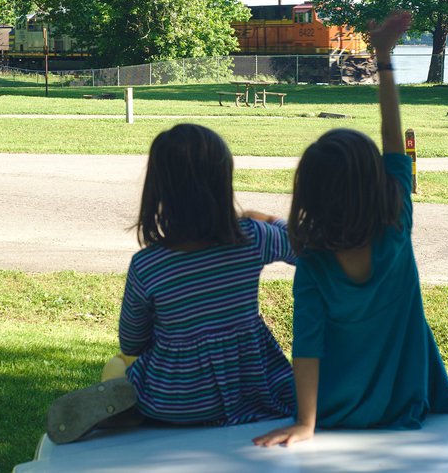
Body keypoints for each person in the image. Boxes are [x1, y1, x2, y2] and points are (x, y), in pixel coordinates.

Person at [254, 10, 448, 448]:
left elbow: (308, 345)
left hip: (334, 409)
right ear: (375, 182)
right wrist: (384, 58)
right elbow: (391, 138)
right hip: (402, 403)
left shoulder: (313, 261)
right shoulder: (396, 225)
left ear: (311, 192)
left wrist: (306, 424)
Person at [46, 123, 296, 444]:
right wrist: (272, 220)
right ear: (223, 184)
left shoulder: (147, 265)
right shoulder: (252, 237)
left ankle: (126, 402)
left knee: (120, 364)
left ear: (158, 192)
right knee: (282, 384)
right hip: (253, 389)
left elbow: (132, 342)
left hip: (172, 400)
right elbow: (309, 249)